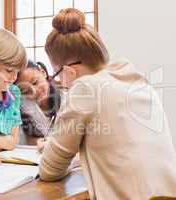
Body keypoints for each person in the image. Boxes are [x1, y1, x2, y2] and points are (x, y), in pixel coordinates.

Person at [39, 8, 176, 199]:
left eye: (56, 74)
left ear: (69, 71)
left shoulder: (84, 89)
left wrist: (53, 150)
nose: (59, 81)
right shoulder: (134, 79)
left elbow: (49, 171)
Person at [15, 60, 61, 146]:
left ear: (43, 73)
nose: (34, 91)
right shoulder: (21, 108)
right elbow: (34, 143)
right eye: (26, 91)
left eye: (35, 82)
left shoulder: (66, 100)